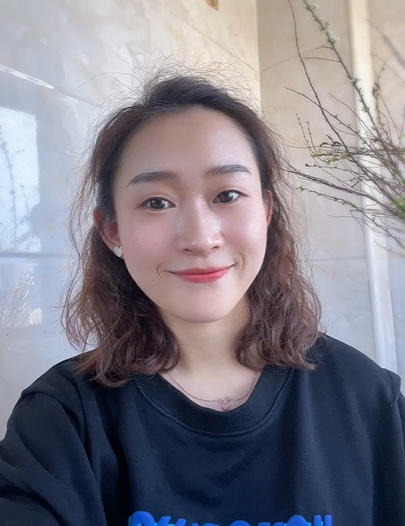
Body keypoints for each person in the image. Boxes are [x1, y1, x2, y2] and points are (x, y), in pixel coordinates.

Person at [0, 73, 404, 526]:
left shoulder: (367, 398)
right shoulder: (62, 418)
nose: (200, 237)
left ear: (266, 212)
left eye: (227, 195)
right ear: (112, 231)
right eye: (156, 202)